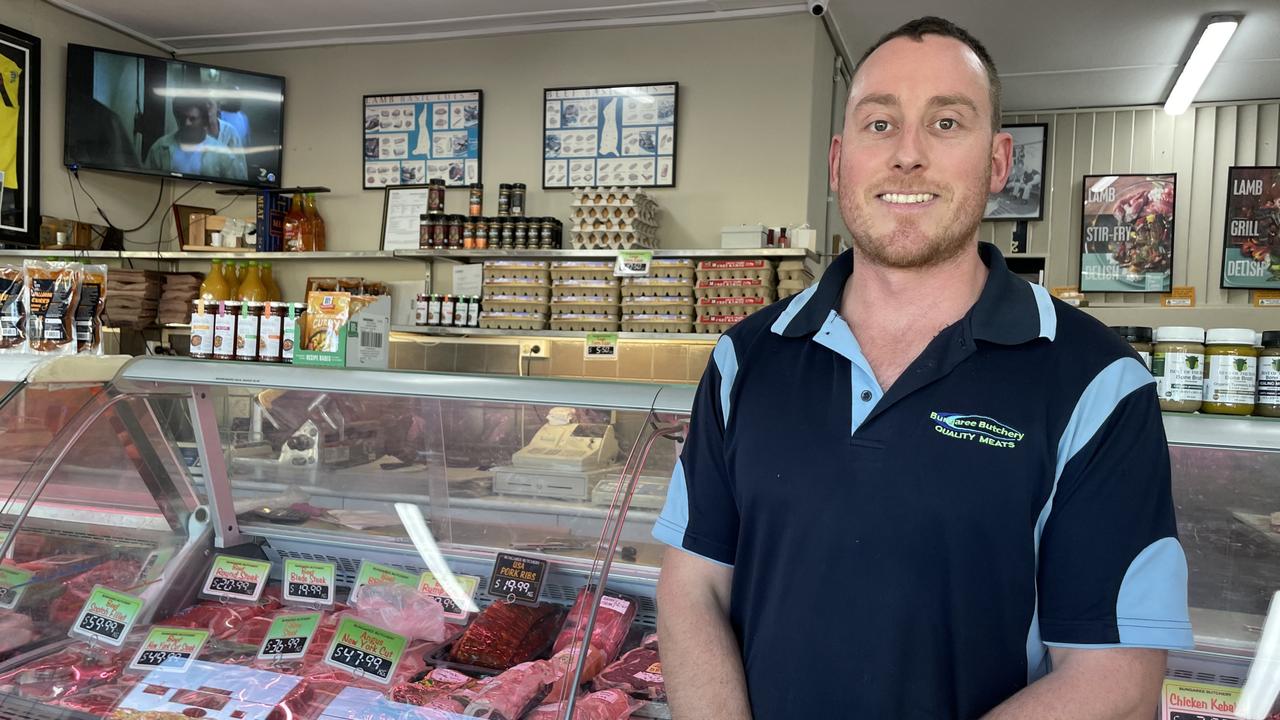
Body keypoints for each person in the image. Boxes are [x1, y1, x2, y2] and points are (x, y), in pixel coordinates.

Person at [654, 16, 1190, 720]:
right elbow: (692, 588)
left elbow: (1115, 674)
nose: (907, 155)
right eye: (880, 124)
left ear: (998, 161)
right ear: (839, 158)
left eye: (945, 123)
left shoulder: (1099, 383)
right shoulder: (744, 359)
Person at [144, 97, 245, 180]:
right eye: (183, 118)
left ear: (204, 121)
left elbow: (237, 186)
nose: (186, 123)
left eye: (192, 119)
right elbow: (147, 182)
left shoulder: (222, 153)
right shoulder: (161, 147)